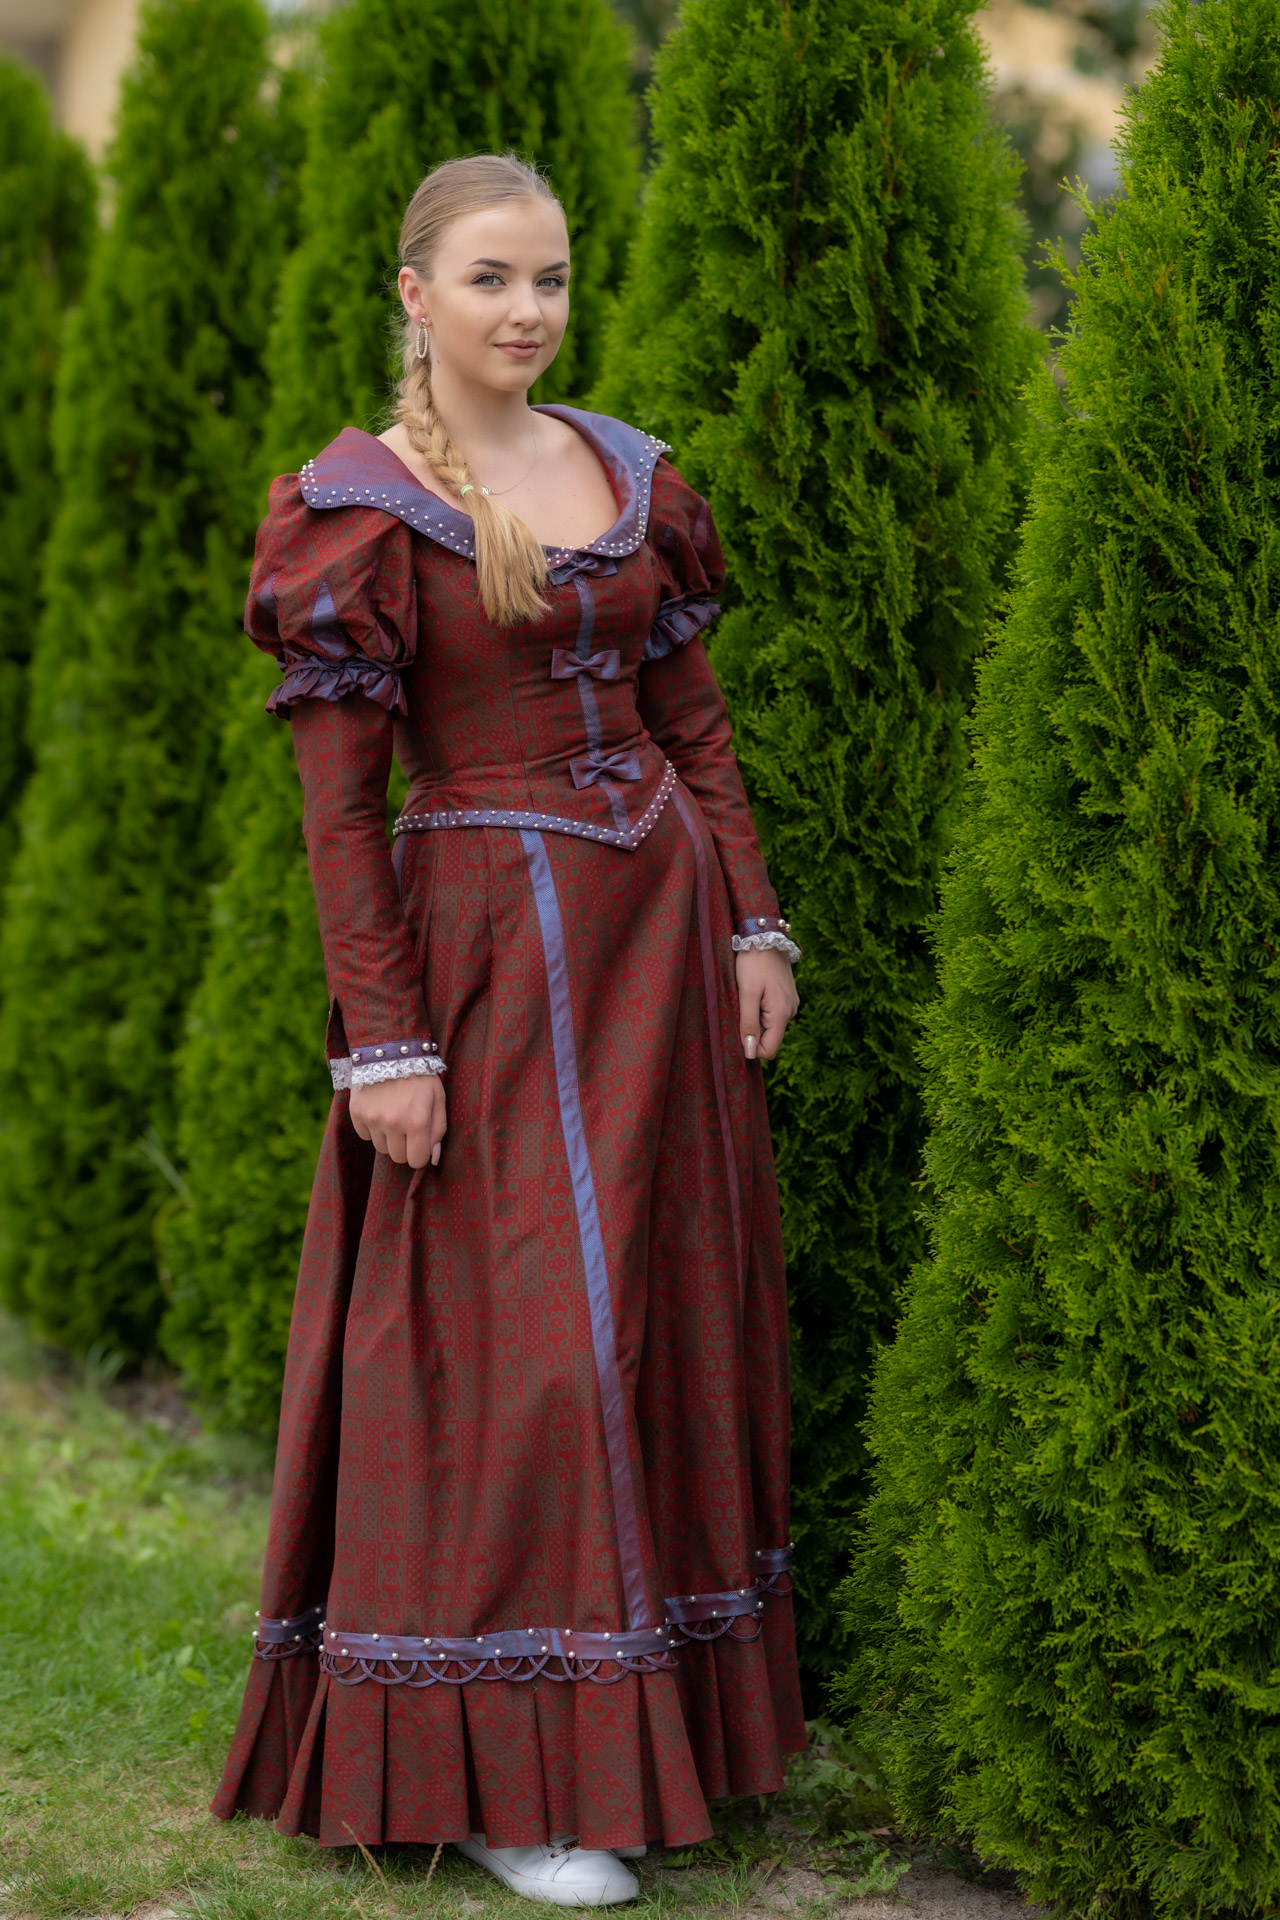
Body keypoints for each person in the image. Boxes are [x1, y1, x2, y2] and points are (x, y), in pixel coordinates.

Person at [212, 152, 804, 1907]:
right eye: (489, 277)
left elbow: (690, 717)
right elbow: (341, 819)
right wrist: (383, 1043)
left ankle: (657, 1731)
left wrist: (754, 919)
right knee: (524, 1350)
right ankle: (507, 1774)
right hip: (491, 962)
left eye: (549, 276)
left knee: (657, 1320)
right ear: (415, 294)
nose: (528, 309)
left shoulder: (630, 471)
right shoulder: (358, 509)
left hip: (659, 950)